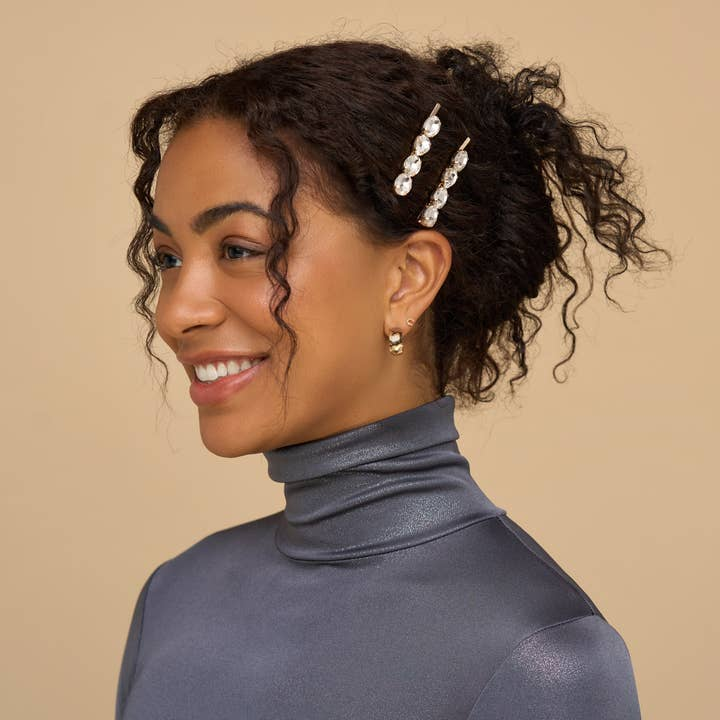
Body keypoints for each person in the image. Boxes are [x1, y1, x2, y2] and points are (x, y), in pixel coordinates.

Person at [116, 36, 671, 719]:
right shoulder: (175, 599)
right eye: (168, 258)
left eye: (240, 249)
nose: (177, 312)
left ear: (407, 279)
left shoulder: (541, 659)